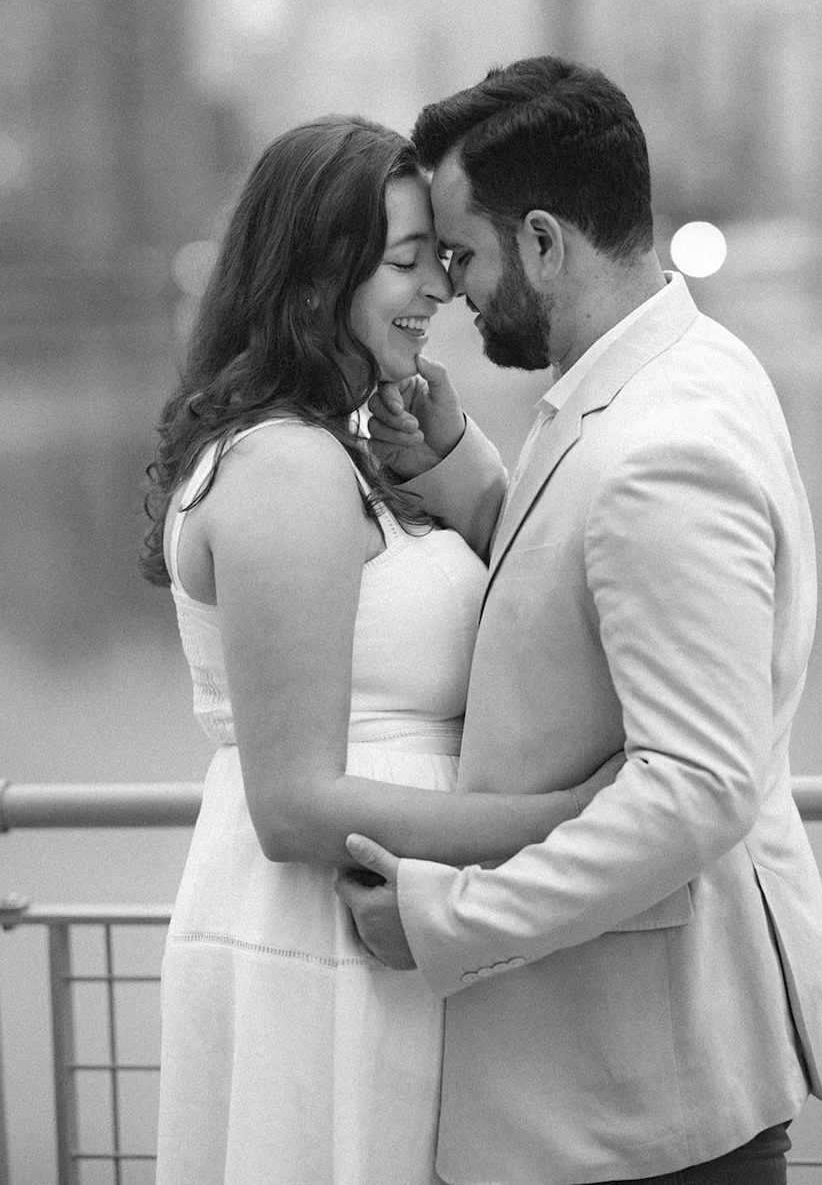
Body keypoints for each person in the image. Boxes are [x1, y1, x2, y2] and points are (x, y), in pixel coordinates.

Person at [339, 58, 822, 1185]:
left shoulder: (660, 448)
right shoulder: (678, 368)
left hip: (637, 1099)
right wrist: (468, 482)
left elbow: (695, 788)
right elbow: (596, 595)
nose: (456, 292)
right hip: (625, 1082)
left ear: (548, 242)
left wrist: (449, 925)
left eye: (463, 255)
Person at [140, 114, 618, 1185]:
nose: (440, 291)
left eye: (442, 260)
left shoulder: (341, 454)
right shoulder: (289, 470)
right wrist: (558, 824)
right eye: (406, 263)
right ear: (316, 279)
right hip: (325, 942)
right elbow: (295, 805)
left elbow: (527, 605)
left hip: (390, 934)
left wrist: (454, 471)